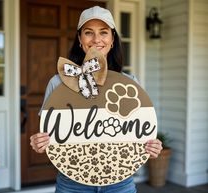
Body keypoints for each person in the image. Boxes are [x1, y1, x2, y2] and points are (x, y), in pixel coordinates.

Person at [30, 6, 162, 193]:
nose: (96, 39)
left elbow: (140, 134)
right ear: (79, 39)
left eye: (103, 32)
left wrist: (151, 145)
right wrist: (40, 142)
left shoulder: (130, 83)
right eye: (88, 33)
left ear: (112, 39)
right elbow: (48, 133)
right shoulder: (58, 82)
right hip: (72, 182)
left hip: (120, 182)